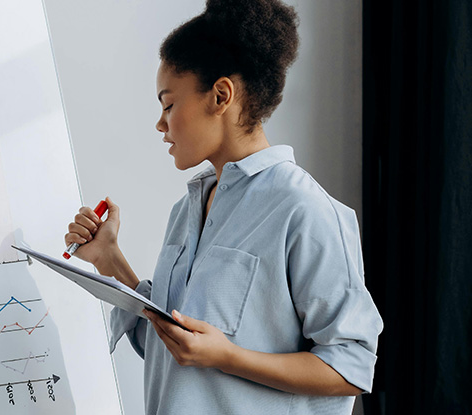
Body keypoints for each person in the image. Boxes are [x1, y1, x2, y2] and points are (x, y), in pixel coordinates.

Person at [64, 0, 383, 413]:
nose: (160, 124)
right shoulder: (187, 210)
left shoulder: (304, 211)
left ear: (220, 95)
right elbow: (177, 356)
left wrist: (227, 356)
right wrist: (111, 262)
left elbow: (352, 369)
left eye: (168, 104)